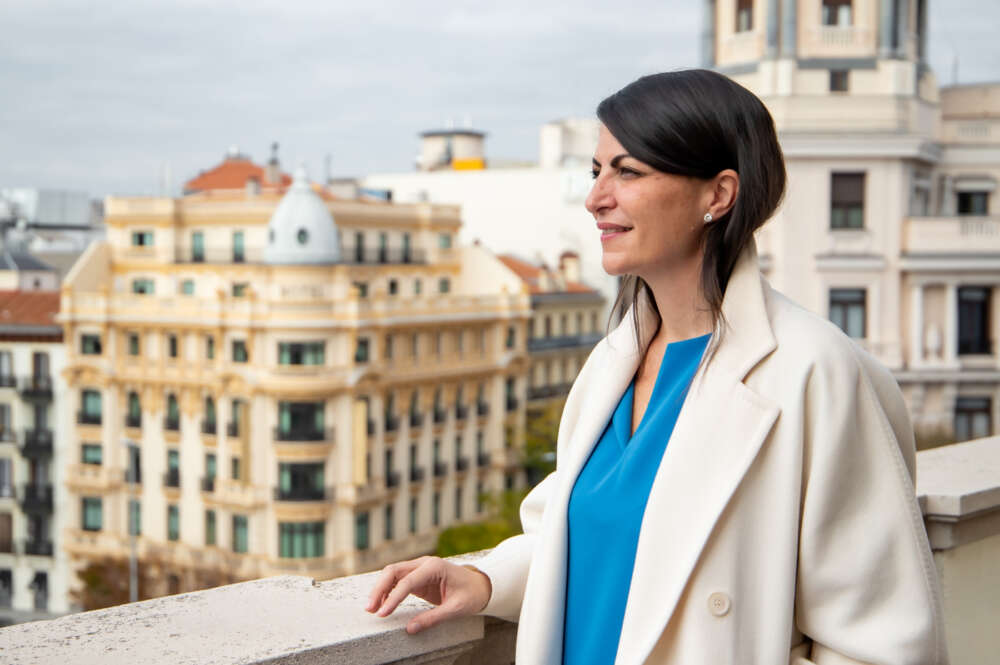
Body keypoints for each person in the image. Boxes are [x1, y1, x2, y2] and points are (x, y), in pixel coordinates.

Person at [366, 69, 948, 665]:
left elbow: (882, 641)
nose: (596, 198)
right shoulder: (611, 363)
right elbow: (584, 533)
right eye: (597, 172)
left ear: (717, 196)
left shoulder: (813, 371)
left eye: (629, 172)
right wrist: (484, 580)